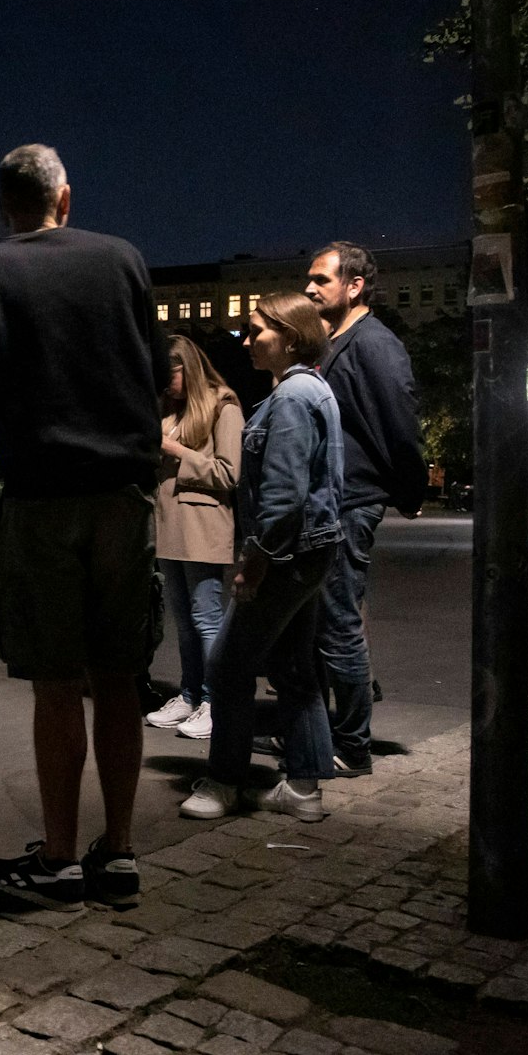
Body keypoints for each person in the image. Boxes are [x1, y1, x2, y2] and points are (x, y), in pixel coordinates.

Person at [0, 143, 167, 911]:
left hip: (41, 493)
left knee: (58, 682)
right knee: (120, 676)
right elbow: (160, 372)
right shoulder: (125, 260)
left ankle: (62, 855)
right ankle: (122, 847)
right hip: (124, 493)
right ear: (65, 198)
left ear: (5, 209)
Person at [180, 292, 345, 823]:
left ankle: (224, 781)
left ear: (290, 336)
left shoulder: (294, 398)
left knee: (226, 666)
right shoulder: (306, 390)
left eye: (256, 332)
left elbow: (283, 494)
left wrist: (256, 558)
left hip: (288, 553)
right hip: (309, 551)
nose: (246, 341)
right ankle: (303, 788)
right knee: (294, 667)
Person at [302, 242, 426, 776]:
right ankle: (325, 734)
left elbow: (402, 420)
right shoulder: (332, 342)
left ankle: (352, 748)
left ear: (354, 286)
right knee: (324, 622)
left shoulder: (373, 343)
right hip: (330, 500)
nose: (309, 288)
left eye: (320, 280)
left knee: (339, 624)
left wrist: (410, 488)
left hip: (351, 501)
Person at [145, 336, 241, 741]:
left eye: (171, 375)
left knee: (206, 619)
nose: (167, 384)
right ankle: (189, 695)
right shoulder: (171, 409)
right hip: (169, 528)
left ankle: (215, 701)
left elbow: (228, 472)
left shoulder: (224, 405)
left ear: (189, 367)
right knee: (184, 622)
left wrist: (176, 450)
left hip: (203, 529)